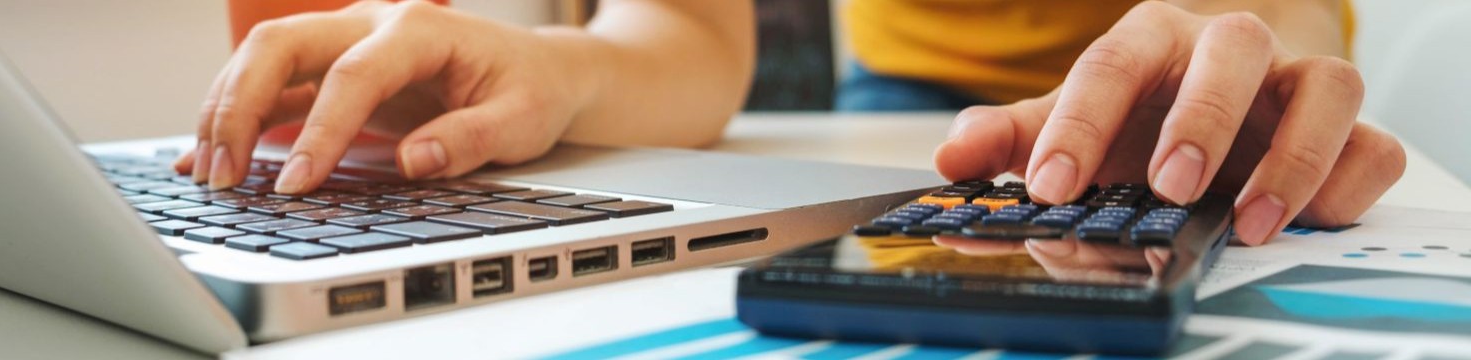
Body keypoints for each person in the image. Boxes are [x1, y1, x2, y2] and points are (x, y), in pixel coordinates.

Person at [171, 0, 1405, 247]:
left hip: (1155, 101)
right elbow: (688, 35)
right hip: (905, 114)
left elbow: (1277, 17)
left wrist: (1244, 54)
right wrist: (553, 67)